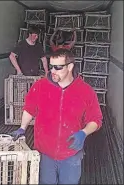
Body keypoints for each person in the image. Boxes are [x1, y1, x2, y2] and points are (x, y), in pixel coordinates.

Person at [10, 48, 103, 184]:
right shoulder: (40, 86)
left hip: (71, 153)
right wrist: (22, 128)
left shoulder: (85, 91)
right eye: (51, 66)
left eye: (58, 67)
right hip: (45, 152)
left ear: (70, 67)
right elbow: (29, 109)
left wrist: (83, 133)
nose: (52, 71)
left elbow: (95, 119)